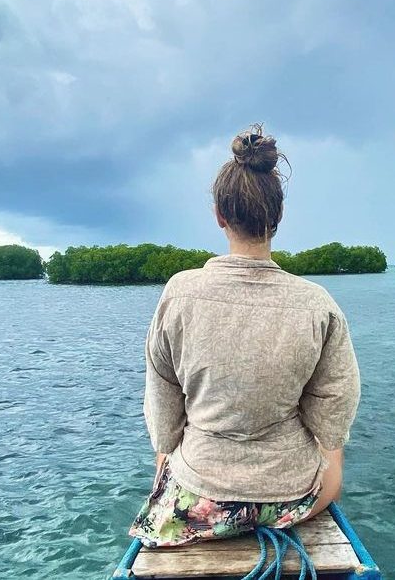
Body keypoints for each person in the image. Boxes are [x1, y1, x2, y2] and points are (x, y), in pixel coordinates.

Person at [128, 124, 361, 548]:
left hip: (201, 497)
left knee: (169, 489)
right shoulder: (318, 304)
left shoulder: (178, 293)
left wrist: (168, 468)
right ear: (278, 216)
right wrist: (328, 479)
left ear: (219, 215)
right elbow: (334, 410)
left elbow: (164, 409)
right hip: (292, 497)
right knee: (328, 483)